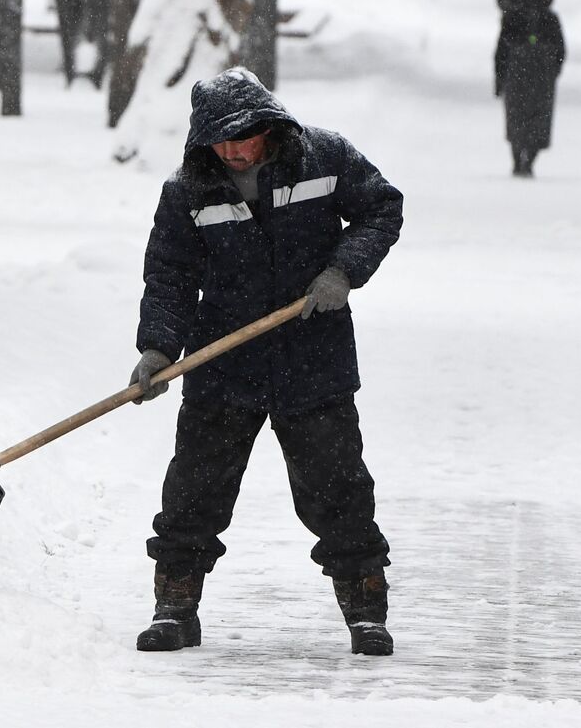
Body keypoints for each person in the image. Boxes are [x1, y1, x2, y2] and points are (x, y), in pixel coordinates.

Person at [127, 68, 404, 657]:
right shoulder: (189, 190)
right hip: (224, 360)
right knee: (194, 491)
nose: (235, 150)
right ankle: (175, 609)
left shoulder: (322, 157)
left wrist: (343, 271)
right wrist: (157, 346)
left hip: (313, 355)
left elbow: (382, 208)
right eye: (222, 141)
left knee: (337, 485)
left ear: (268, 125)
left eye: (245, 136)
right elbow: (170, 275)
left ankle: (366, 613)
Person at [494, 0, 566, 177]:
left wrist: (499, 78)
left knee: (518, 118)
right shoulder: (549, 19)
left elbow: (501, 51)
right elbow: (561, 50)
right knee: (537, 119)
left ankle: (519, 158)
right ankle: (528, 159)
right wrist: (553, 70)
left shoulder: (513, 17)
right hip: (541, 78)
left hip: (518, 75)